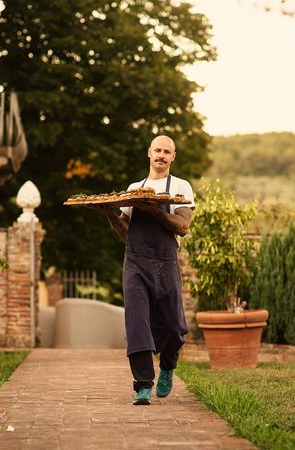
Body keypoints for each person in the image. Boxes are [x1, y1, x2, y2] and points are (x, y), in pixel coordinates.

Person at [109, 135, 194, 405]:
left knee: (171, 326)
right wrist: (109, 213)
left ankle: (168, 365)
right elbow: (126, 230)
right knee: (136, 322)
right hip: (135, 261)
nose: (161, 155)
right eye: (157, 150)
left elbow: (182, 226)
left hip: (165, 261)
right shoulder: (135, 188)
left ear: (173, 156)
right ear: (149, 153)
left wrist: (156, 211)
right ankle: (143, 385)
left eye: (166, 151)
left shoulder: (181, 186)